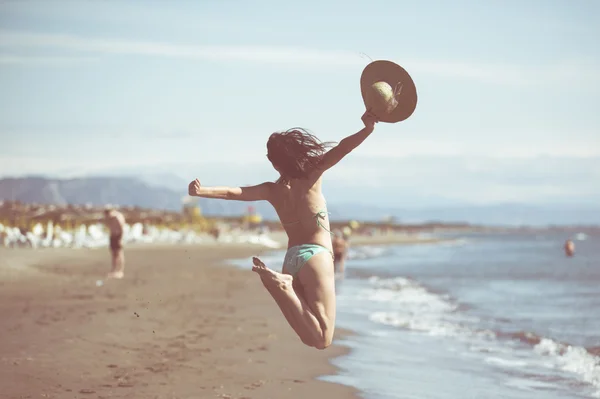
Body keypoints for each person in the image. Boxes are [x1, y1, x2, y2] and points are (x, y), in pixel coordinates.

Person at [188, 110, 379, 349]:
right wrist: (367, 130)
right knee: (322, 338)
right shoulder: (312, 175)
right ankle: (283, 286)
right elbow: (342, 148)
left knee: (312, 336)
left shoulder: (271, 190)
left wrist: (201, 191)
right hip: (316, 257)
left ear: (274, 163)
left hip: (291, 259)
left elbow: (232, 192)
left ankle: (283, 287)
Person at [103, 209, 126, 279]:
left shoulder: (118, 217)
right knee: (113, 254)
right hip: (113, 236)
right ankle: (114, 270)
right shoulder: (110, 218)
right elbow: (108, 226)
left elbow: (122, 228)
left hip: (118, 236)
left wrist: (121, 239)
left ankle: (120, 271)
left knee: (119, 253)